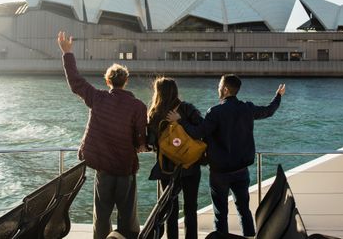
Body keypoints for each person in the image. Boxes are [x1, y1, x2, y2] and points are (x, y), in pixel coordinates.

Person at [168, 74, 286, 237]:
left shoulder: (215, 112)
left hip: (219, 173)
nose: (217, 88)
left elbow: (197, 133)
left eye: (219, 85)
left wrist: (180, 120)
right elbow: (269, 111)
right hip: (241, 170)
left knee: (220, 214)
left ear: (225, 89)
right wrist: (278, 96)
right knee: (244, 211)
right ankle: (250, 237)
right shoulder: (247, 108)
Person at [57, 31, 147, 239]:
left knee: (102, 213)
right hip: (125, 167)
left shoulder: (97, 98)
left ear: (108, 81)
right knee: (127, 214)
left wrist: (67, 53)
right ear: (125, 81)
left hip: (104, 168)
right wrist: (141, 144)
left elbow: (75, 82)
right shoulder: (137, 106)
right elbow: (141, 137)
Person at [147, 77, 204, 239]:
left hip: (166, 168)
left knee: (169, 208)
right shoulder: (187, 108)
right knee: (190, 208)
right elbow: (202, 129)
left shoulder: (155, 113)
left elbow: (151, 143)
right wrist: (181, 124)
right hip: (190, 165)